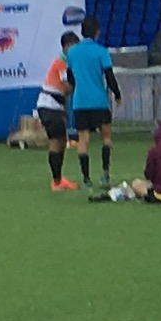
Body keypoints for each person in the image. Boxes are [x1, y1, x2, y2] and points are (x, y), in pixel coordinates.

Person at [66, 15, 121, 190]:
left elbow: (70, 78)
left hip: (80, 102)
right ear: (97, 32)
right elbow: (109, 76)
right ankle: (105, 174)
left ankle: (86, 178)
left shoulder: (72, 53)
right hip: (99, 101)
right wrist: (117, 94)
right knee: (106, 138)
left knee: (83, 140)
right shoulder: (101, 52)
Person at [36, 30, 78, 193]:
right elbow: (66, 87)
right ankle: (56, 181)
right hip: (50, 105)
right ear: (66, 46)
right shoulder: (62, 62)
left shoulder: (67, 62)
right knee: (56, 141)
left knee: (61, 140)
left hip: (55, 105)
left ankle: (59, 179)